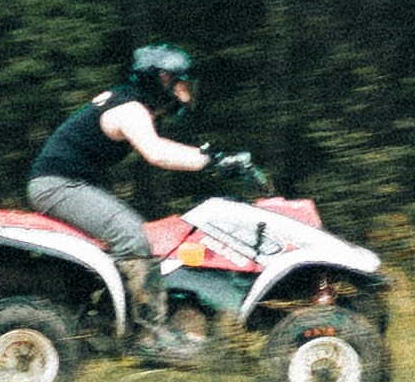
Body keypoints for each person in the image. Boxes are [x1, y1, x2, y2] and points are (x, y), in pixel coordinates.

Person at [30, 42, 252, 363]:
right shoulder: (130, 110)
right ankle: (149, 337)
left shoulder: (132, 103)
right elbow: (156, 152)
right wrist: (215, 161)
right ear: (162, 80)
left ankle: (115, 319)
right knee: (134, 237)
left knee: (144, 235)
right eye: (182, 83)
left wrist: (215, 160)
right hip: (57, 185)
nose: (187, 91)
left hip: (67, 183)